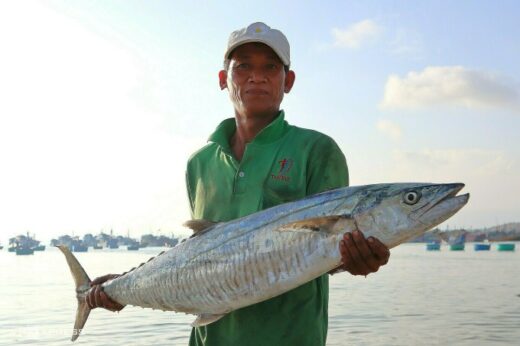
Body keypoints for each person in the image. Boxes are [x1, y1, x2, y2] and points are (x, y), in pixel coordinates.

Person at [87, 22, 390, 346]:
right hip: (209, 337)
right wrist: (126, 286)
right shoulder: (199, 163)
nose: (256, 76)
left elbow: (323, 252)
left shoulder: (317, 150)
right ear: (223, 79)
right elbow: (201, 251)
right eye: (243, 65)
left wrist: (351, 259)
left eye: (270, 67)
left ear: (288, 81)